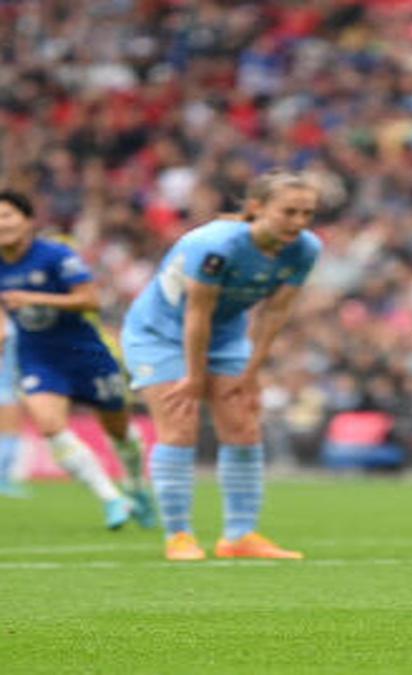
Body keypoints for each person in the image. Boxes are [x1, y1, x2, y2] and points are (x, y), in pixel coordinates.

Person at [121, 171, 322, 561]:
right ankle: (179, 535)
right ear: (256, 208)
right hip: (159, 335)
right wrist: (194, 378)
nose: (299, 222)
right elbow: (197, 314)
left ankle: (239, 535)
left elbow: (275, 312)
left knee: (243, 424)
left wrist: (252, 372)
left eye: (307, 213)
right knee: (179, 424)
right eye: (289, 212)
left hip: (227, 337)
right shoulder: (213, 245)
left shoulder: (305, 249)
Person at [0, 190, 153, 526]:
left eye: (8, 215)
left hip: (84, 353)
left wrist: (34, 298)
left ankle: (137, 486)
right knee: (49, 425)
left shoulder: (55, 256)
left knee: (119, 430)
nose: (2, 223)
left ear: (27, 221)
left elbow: (90, 300)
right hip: (38, 356)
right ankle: (111, 498)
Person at [0, 312, 26, 498]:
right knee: (9, 431)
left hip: (10, 382)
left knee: (10, 431)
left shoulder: (11, 319)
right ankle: (2, 479)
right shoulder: (7, 323)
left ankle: (4, 478)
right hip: (4, 383)